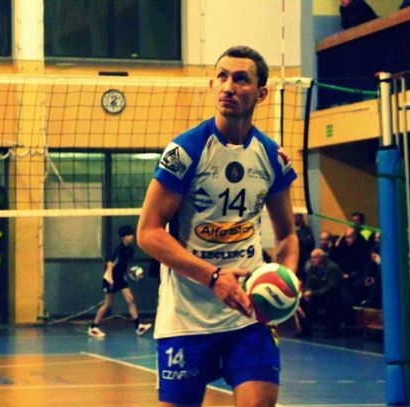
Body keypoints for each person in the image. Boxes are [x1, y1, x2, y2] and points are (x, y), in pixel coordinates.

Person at [137, 46, 299, 407]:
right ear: (212, 84)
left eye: (240, 79)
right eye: (222, 77)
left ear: (261, 94)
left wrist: (286, 279)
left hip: (249, 313)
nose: (228, 86)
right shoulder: (186, 151)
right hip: (188, 316)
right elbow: (148, 233)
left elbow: (287, 235)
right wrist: (213, 277)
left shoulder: (272, 156)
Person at [87, 225, 152, 338]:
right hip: (110, 278)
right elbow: (110, 263)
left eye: (132, 235)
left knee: (130, 299)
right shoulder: (118, 249)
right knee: (108, 304)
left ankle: (138, 327)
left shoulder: (130, 250)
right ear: (123, 237)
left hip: (121, 278)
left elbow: (124, 265)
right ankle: (93, 327)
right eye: (128, 235)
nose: (131, 237)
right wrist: (110, 277)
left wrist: (131, 274)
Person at [297, 249, 343, 337]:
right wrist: (307, 292)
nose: (313, 260)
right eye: (312, 258)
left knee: (330, 300)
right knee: (303, 301)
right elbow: (309, 282)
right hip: (318, 295)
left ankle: (333, 330)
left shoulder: (332, 268)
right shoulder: (312, 268)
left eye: (315, 258)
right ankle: (305, 329)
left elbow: (331, 288)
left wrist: (312, 293)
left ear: (322, 258)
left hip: (333, 296)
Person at [295, 212, 315, 281]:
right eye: (294, 216)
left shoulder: (307, 229)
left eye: (297, 216)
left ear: (301, 217)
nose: (295, 218)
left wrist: (299, 240)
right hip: (294, 258)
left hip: (305, 258)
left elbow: (310, 243)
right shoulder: (290, 230)